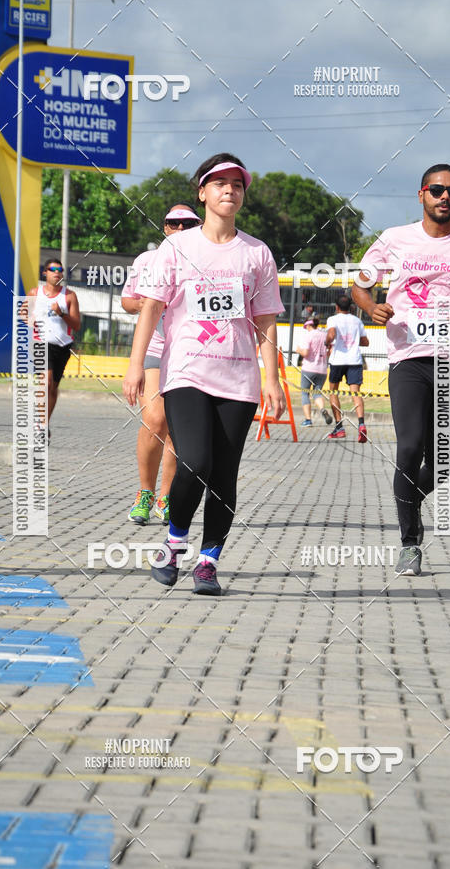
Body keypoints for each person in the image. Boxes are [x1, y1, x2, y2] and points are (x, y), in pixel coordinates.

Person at [123, 153, 285, 596]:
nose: (229, 190)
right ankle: (174, 542)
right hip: (186, 374)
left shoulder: (257, 253)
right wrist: (137, 364)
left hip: (239, 380)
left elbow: (266, 321)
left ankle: (208, 561)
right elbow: (151, 307)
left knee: (224, 474)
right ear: (203, 192)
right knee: (194, 461)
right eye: (219, 183)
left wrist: (272, 380)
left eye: (237, 184)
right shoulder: (177, 248)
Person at [352, 164, 450, 577]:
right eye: (437, 190)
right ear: (421, 194)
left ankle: (409, 498)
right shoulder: (394, 239)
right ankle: (409, 542)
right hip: (408, 357)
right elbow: (360, 283)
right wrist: (371, 307)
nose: (445, 197)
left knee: (441, 463)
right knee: (408, 448)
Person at [121, 204, 202, 525]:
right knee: (155, 420)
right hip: (155, 347)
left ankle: (165, 497)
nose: (180, 228)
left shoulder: (205, 259)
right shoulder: (146, 260)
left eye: (188, 223)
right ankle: (144, 493)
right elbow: (128, 301)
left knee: (176, 430)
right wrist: (147, 302)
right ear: (165, 228)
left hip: (189, 352)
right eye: (174, 223)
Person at [27, 258, 81, 440]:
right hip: (41, 342)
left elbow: (76, 324)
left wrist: (61, 313)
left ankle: (44, 423)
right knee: (46, 381)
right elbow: (23, 314)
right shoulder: (35, 293)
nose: (57, 272)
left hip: (63, 345)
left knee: (53, 387)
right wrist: (30, 319)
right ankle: (39, 424)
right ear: (45, 273)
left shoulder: (69, 296)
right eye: (53, 269)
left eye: (60, 270)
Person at [325, 296, 369, 441]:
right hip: (354, 360)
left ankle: (339, 427)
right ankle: (361, 424)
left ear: (337, 307)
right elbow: (365, 341)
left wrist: (327, 342)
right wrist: (354, 341)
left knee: (333, 392)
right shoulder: (357, 321)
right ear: (350, 307)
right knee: (355, 393)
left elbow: (331, 335)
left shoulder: (333, 319)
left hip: (338, 360)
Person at [296, 317, 333, 427]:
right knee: (317, 392)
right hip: (322, 369)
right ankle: (322, 410)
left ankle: (308, 420)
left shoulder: (309, 335)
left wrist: (299, 350)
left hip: (309, 368)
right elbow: (330, 350)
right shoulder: (324, 334)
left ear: (308, 325)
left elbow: (306, 353)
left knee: (305, 393)